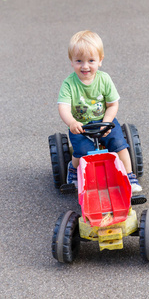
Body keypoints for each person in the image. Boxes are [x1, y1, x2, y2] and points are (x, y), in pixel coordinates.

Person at [57, 30, 142, 193]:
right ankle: (73, 170)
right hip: (80, 125)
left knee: (119, 144)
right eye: (79, 61)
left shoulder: (104, 79)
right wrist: (72, 122)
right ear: (71, 61)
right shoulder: (69, 84)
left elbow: (112, 105)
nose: (85, 66)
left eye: (91, 60)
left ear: (100, 61)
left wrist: (107, 122)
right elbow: (64, 107)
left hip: (104, 121)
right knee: (81, 150)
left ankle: (129, 176)